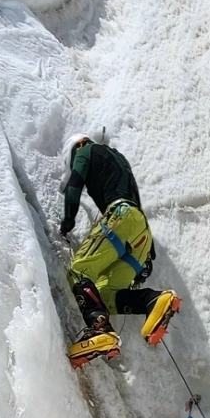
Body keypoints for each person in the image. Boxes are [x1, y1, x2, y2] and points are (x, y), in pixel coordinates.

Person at [59, 134, 181, 367]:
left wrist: (68, 221)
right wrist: (145, 259)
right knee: (104, 294)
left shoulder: (85, 150)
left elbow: (74, 184)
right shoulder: (120, 159)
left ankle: (99, 329)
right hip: (140, 234)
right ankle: (153, 300)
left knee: (78, 270)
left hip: (120, 217)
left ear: (78, 145)